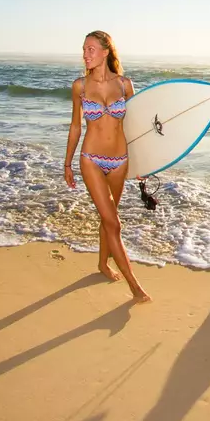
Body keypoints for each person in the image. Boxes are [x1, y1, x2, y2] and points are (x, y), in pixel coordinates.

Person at [63, 31, 151, 303]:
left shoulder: (125, 85)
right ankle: (134, 285)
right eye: (84, 49)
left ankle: (103, 264)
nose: (85, 54)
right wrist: (67, 162)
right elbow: (76, 125)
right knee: (114, 222)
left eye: (91, 49)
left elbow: (135, 127)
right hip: (90, 158)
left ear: (105, 52)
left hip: (120, 161)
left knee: (108, 217)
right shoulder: (80, 86)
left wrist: (141, 162)